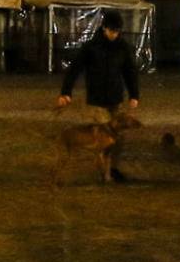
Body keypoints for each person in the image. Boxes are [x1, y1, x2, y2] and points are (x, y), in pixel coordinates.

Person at [55, 16, 144, 183]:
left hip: (115, 99)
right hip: (97, 100)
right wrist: (66, 92)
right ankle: (105, 173)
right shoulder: (91, 47)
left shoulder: (123, 48)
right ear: (104, 28)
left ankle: (110, 169)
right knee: (105, 137)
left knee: (117, 138)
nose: (114, 34)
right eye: (112, 31)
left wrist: (134, 95)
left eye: (117, 31)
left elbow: (130, 71)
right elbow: (75, 69)